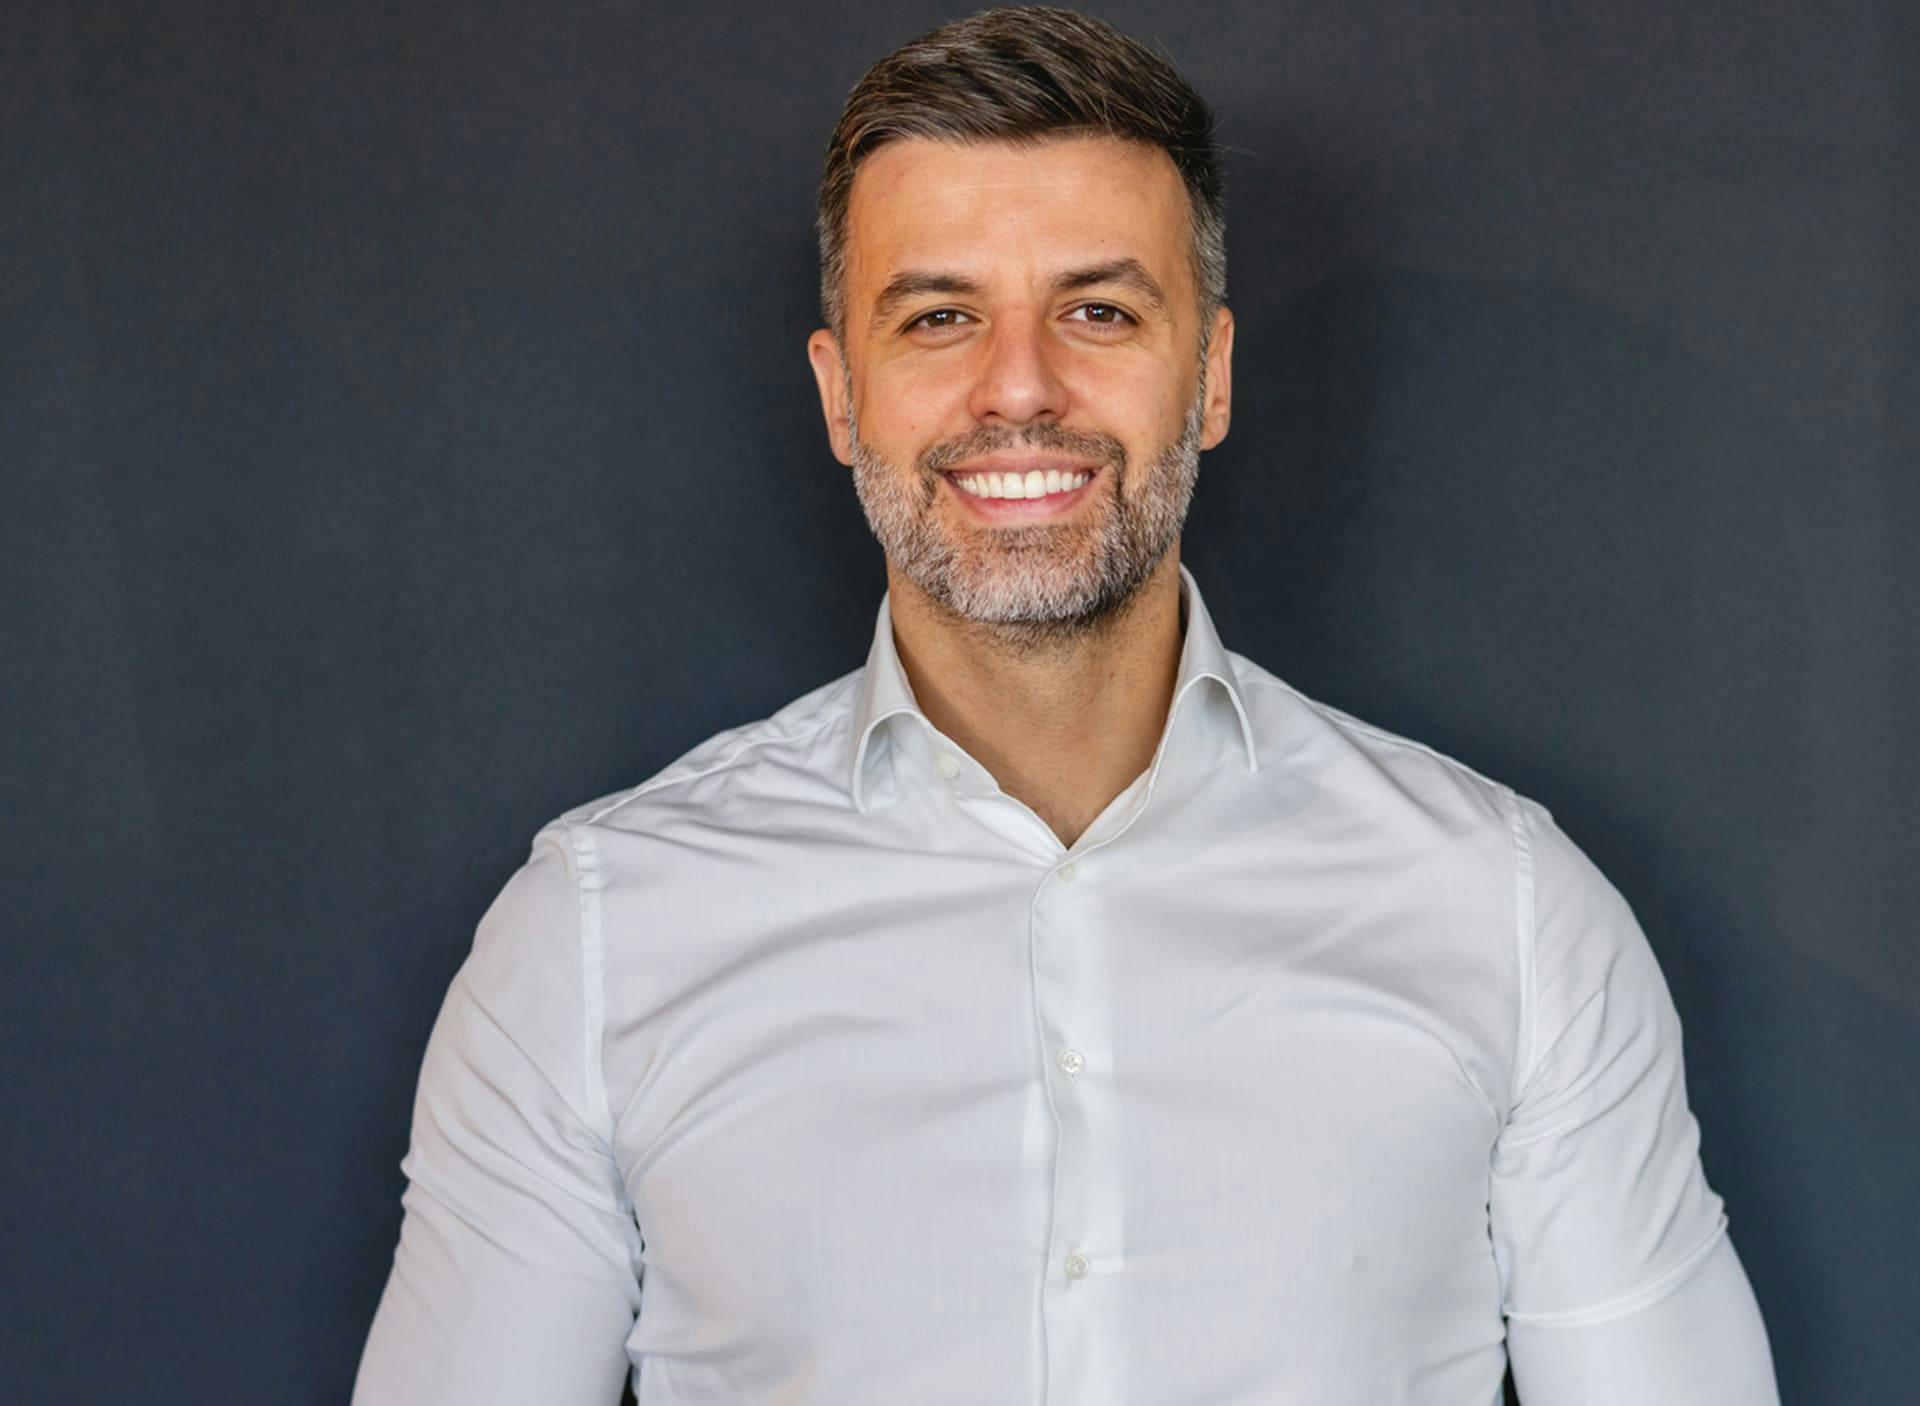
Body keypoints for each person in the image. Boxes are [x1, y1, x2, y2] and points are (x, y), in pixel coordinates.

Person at [352, 7, 1780, 1402]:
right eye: (938, 315)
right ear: (842, 394)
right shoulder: (595, 937)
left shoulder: (1510, 914)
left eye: (1098, 309)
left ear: (1207, 374)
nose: (1018, 389)